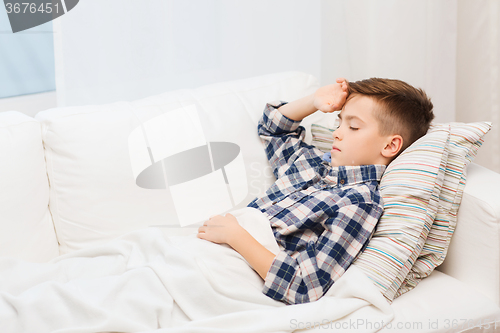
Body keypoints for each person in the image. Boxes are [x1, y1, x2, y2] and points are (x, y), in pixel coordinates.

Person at [197, 77, 435, 305]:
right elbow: (273, 128)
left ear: (390, 145)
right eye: (339, 122)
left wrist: (235, 236)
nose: (337, 132)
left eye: (353, 127)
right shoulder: (308, 163)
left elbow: (305, 286)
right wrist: (313, 101)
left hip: (235, 265)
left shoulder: (359, 203)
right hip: (209, 249)